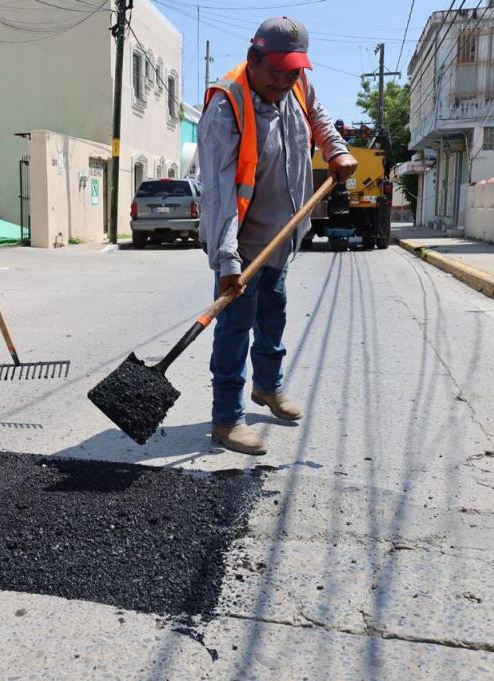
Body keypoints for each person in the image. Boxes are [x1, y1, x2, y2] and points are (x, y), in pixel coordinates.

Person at [198, 17, 357, 455]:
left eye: (293, 72)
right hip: (243, 243)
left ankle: (267, 388)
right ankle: (226, 420)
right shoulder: (225, 107)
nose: (284, 81)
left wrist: (337, 150)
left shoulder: (296, 85)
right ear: (253, 59)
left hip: (283, 235)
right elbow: (219, 192)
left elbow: (319, 118)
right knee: (235, 326)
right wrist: (228, 260)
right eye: (276, 72)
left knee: (274, 314)